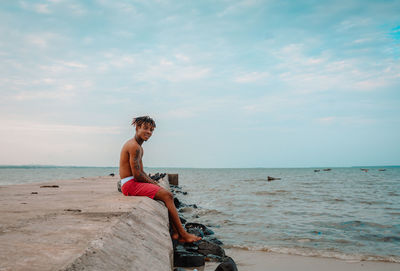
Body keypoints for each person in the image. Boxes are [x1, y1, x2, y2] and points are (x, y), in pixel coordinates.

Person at [119, 116, 201, 243]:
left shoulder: (138, 147)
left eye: (151, 130)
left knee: (165, 195)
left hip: (131, 182)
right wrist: (153, 183)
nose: (149, 132)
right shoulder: (134, 146)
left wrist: (153, 183)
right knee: (167, 195)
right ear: (137, 128)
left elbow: (141, 171)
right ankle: (183, 234)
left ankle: (175, 233)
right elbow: (137, 175)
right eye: (145, 128)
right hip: (130, 184)